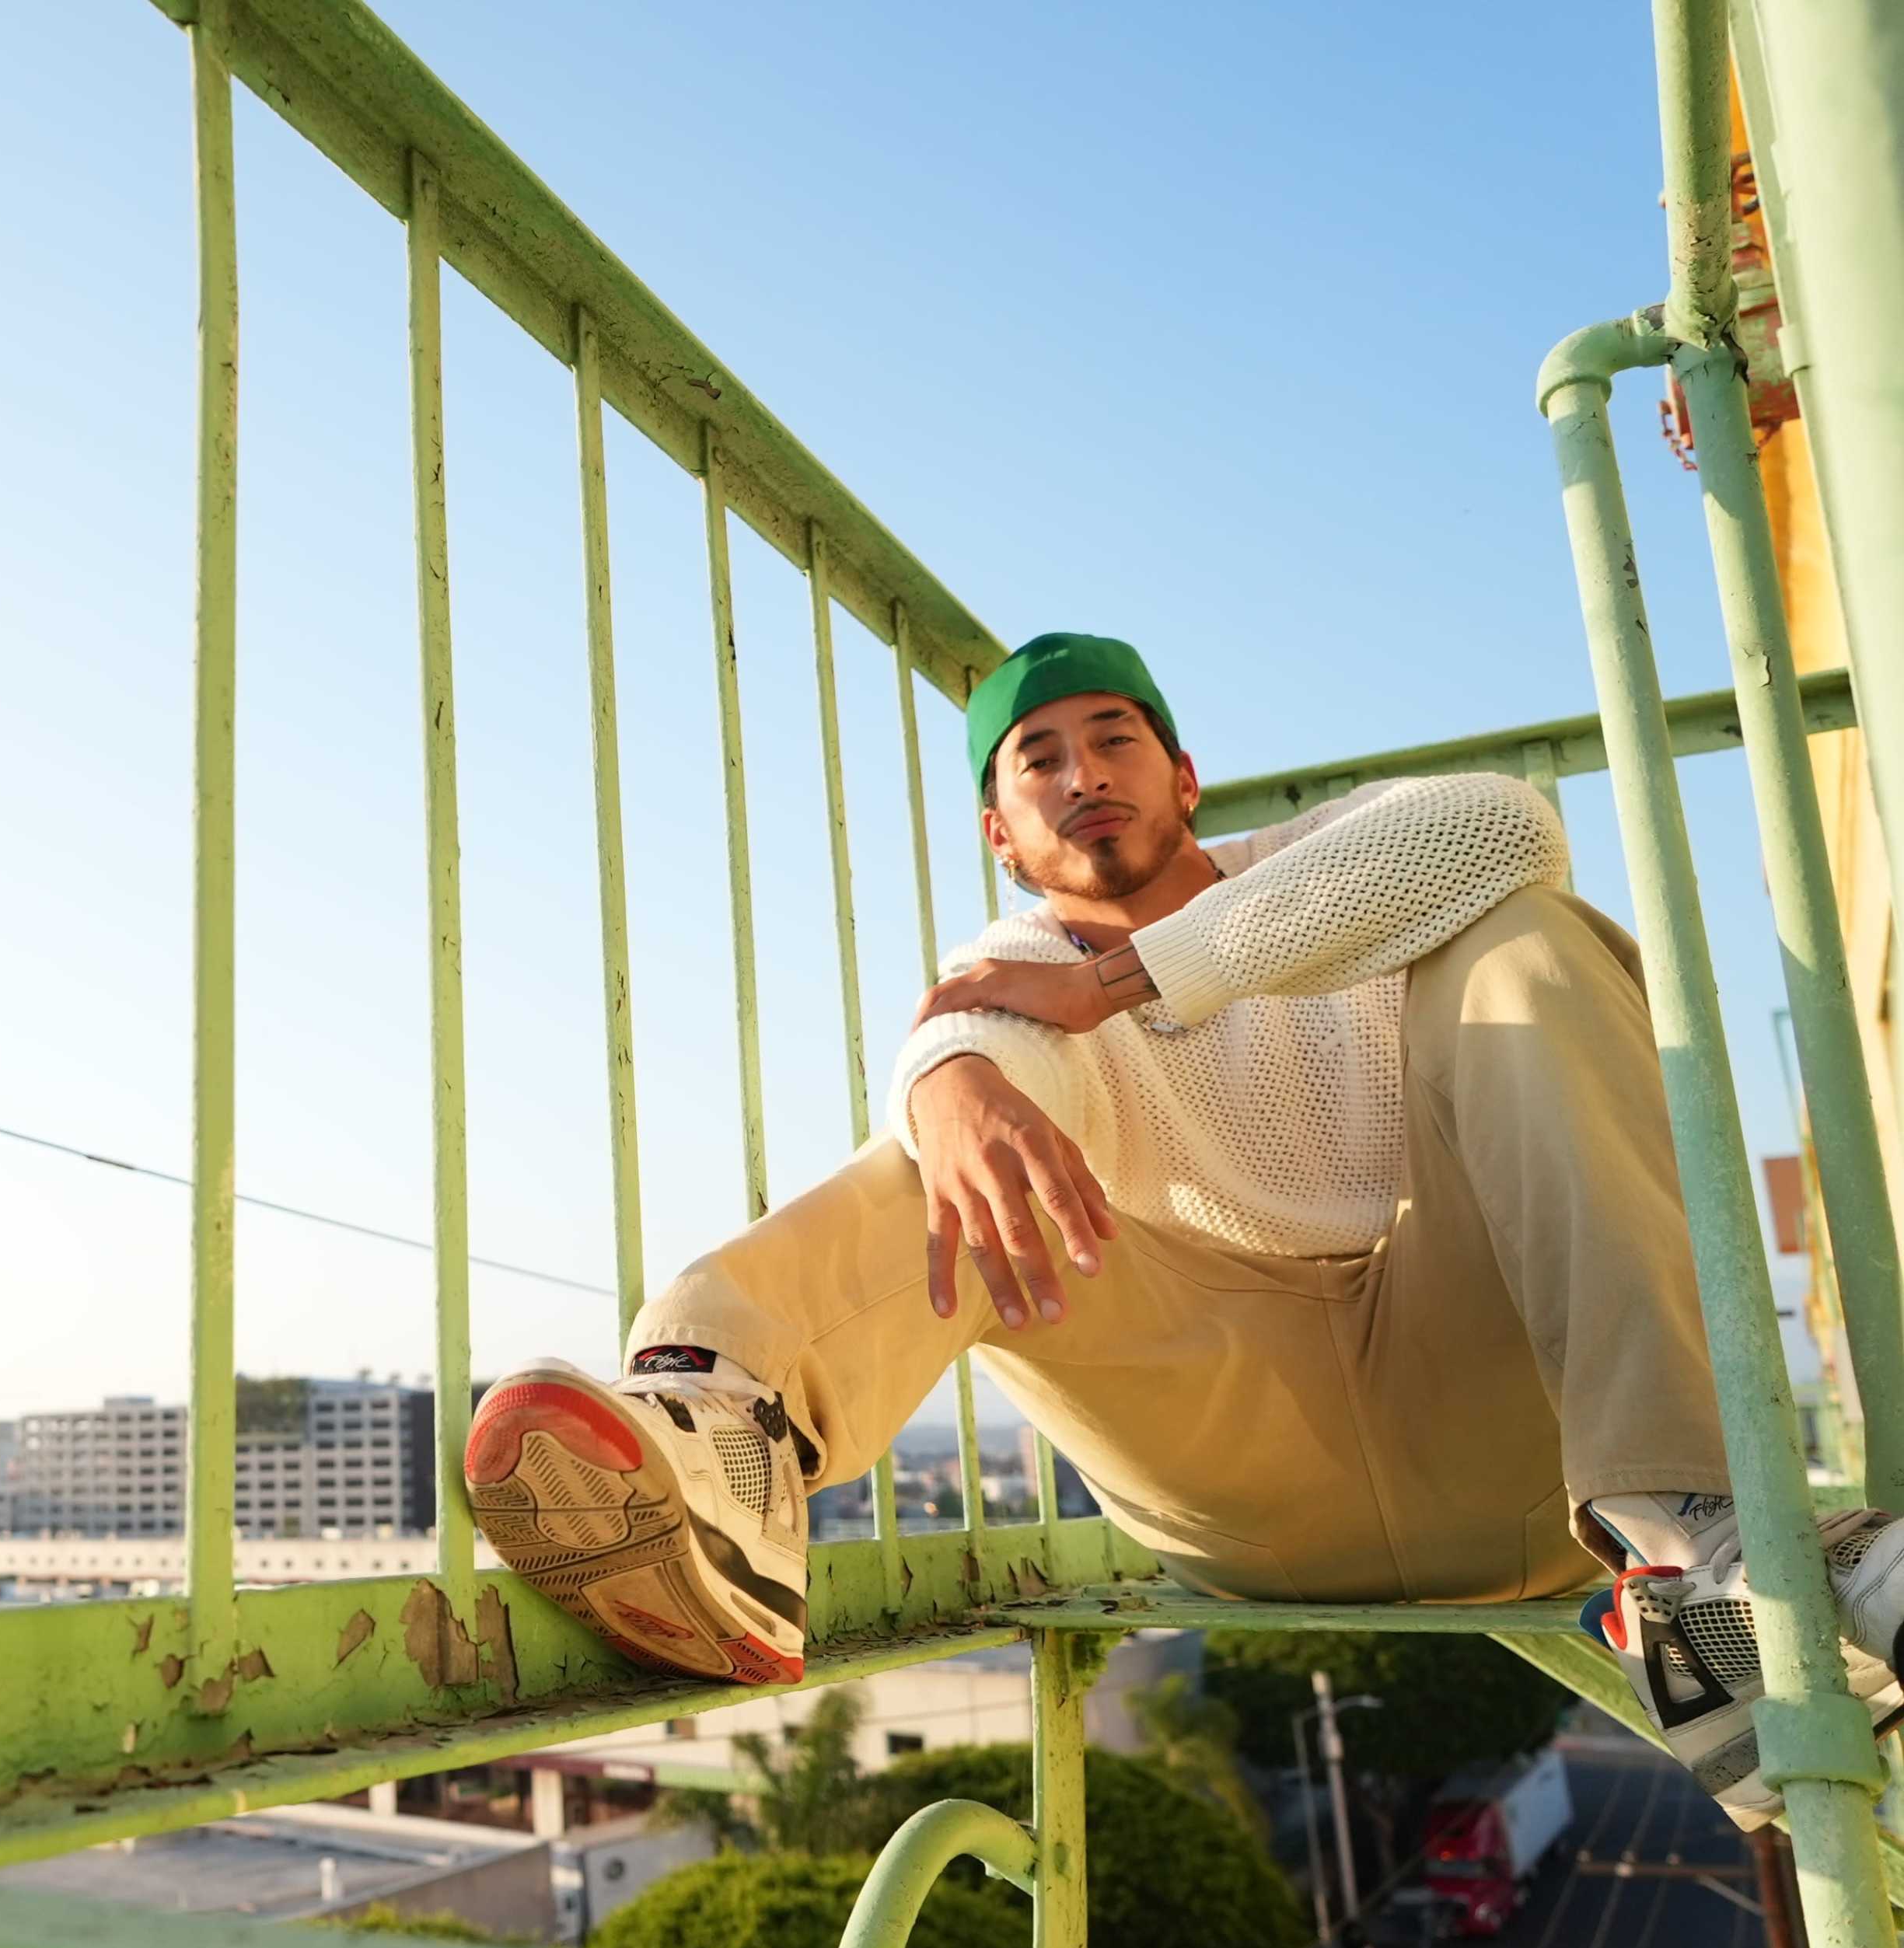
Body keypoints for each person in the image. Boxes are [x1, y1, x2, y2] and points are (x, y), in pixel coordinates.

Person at [462, 631, 1904, 1828]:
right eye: (1039, 762)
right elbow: (976, 1030)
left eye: (1113, 740)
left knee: (1526, 933)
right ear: (1000, 832)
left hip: (1515, 1433)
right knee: (976, 1140)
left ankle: (1699, 1553)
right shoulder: (1010, 972)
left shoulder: (1341, 859)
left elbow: (1509, 825)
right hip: (1243, 1466)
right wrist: (950, 1076)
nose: (1083, 776)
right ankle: (725, 1426)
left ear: (1184, 775)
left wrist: (1136, 978)